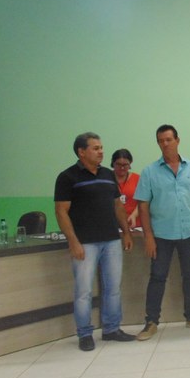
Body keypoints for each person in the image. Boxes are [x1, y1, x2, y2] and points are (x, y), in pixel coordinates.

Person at [54, 132, 135, 351]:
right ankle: (85, 333)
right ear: (81, 152)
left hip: (111, 240)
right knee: (84, 291)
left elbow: (117, 206)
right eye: (96, 148)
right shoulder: (68, 177)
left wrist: (126, 233)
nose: (101, 151)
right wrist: (73, 241)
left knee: (113, 288)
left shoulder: (108, 174)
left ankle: (111, 329)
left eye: (101, 147)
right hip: (85, 243)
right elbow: (61, 211)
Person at [134, 124, 190, 340]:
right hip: (161, 235)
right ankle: (151, 322)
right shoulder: (149, 172)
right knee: (157, 277)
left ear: (177, 141)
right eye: (161, 141)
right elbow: (143, 205)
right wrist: (148, 236)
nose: (165, 144)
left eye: (169, 139)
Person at [111, 148, 140, 229]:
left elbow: (142, 202)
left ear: (130, 163)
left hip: (134, 225)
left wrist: (134, 215)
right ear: (113, 163)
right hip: (112, 225)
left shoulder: (138, 179)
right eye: (118, 164)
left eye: (125, 165)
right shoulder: (106, 178)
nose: (122, 168)